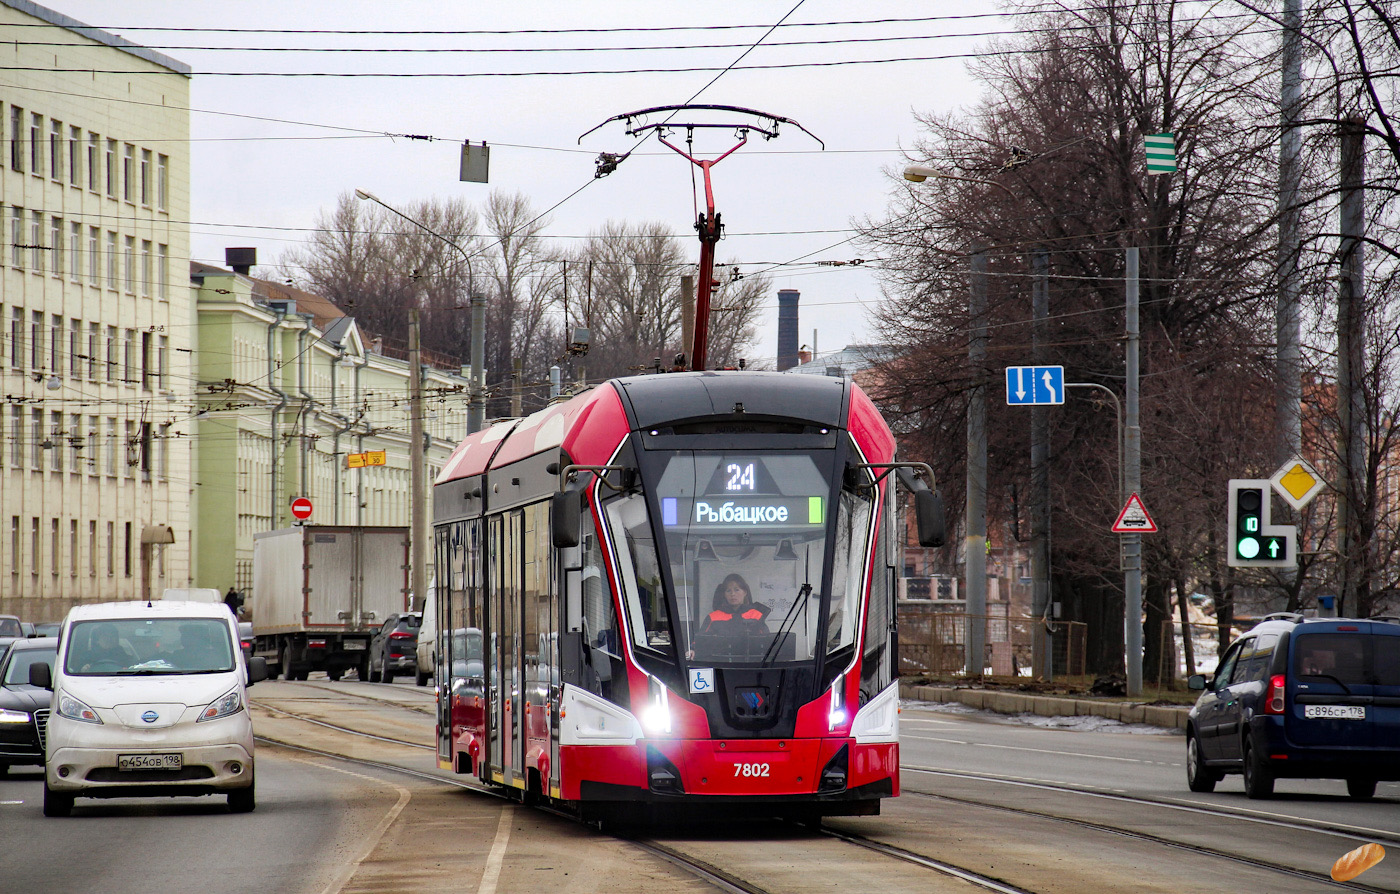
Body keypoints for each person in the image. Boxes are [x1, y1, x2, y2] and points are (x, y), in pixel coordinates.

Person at [699, 574, 770, 637]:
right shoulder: (713, 617)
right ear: (724, 594)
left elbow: (767, 642)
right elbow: (700, 641)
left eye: (737, 590)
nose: (732, 594)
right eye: (728, 591)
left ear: (745, 592)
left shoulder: (756, 615)